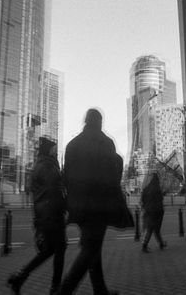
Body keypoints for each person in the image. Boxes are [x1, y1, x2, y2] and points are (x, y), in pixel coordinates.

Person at [57, 108, 128, 295]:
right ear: (100, 122)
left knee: (92, 245)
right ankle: (64, 291)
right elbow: (113, 176)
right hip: (99, 205)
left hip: (78, 205)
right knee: (90, 248)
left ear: (85, 121)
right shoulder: (106, 143)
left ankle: (100, 290)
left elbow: (66, 177)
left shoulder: (72, 144)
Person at [7, 137, 67, 295]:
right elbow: (55, 190)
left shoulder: (42, 165)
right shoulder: (47, 166)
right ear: (48, 149)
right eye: (54, 148)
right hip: (51, 214)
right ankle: (55, 287)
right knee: (58, 248)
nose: (56, 150)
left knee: (50, 250)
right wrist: (64, 206)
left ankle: (20, 277)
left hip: (45, 214)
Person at [140, 172, 167, 253]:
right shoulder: (157, 189)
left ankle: (161, 243)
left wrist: (145, 207)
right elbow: (160, 200)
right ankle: (144, 245)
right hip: (157, 211)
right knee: (154, 229)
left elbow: (142, 200)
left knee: (152, 228)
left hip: (148, 210)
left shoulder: (146, 189)